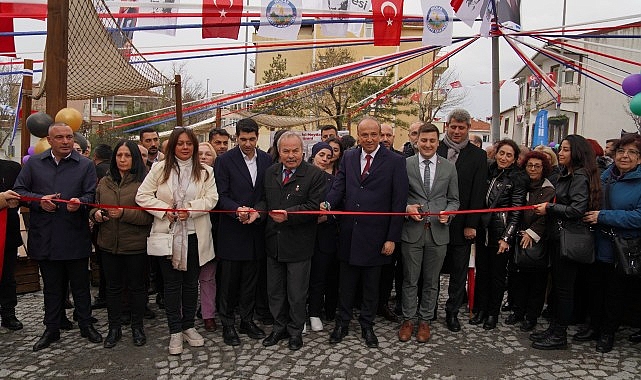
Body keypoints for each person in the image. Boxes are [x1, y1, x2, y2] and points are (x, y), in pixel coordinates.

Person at [15, 122, 102, 351]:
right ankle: (51, 328)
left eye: (69, 137)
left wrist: (80, 203)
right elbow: (20, 193)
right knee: (52, 287)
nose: (65, 141)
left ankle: (85, 323)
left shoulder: (84, 165)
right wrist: (40, 201)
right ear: (49, 140)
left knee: (81, 285)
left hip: (74, 234)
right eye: (60, 137)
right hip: (45, 236)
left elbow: (91, 194)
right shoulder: (34, 163)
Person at [324, 117, 409, 348]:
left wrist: (392, 237)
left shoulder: (395, 161)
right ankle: (342, 323)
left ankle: (367, 325)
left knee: (372, 285)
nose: (369, 139)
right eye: (365, 135)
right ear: (358, 136)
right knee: (346, 283)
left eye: (374, 134)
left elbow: (399, 202)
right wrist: (327, 204)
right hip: (350, 233)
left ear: (380, 134)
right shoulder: (349, 157)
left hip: (377, 235)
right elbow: (339, 186)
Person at [136, 127, 218, 355]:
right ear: (173, 146)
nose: (184, 147)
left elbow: (212, 199)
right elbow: (142, 195)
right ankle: (174, 331)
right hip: (168, 235)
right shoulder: (160, 169)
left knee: (191, 285)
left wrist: (190, 210)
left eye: (188, 143)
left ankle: (189, 326)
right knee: (172, 286)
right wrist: (165, 210)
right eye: (180, 143)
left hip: (194, 235)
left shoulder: (205, 171)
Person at [255, 132, 326, 351]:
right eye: (286, 151)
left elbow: (314, 207)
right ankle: (279, 328)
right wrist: (257, 213)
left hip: (299, 244)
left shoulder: (314, 174)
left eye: (295, 150)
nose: (291, 155)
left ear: (302, 151)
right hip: (273, 242)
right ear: (279, 152)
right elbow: (264, 201)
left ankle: (296, 331)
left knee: (296, 293)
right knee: (275, 291)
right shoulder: (270, 172)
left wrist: (289, 214)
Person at [531, 134, 601, 350]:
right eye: (560, 149)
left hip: (568, 239)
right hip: (559, 236)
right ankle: (554, 328)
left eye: (566, 149)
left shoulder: (579, 176)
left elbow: (576, 209)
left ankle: (559, 334)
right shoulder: (566, 174)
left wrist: (549, 208)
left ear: (577, 152)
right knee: (560, 288)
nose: (560, 153)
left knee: (564, 289)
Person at [214, 118, 273, 346]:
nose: (247, 143)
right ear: (236, 138)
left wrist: (257, 211)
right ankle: (227, 323)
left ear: (257, 137)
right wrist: (236, 210)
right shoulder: (225, 161)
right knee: (229, 282)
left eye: (252, 139)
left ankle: (246, 320)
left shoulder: (267, 160)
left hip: (255, 230)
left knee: (250, 280)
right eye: (243, 139)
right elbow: (220, 193)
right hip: (232, 230)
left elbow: (268, 194)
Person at [399, 124, 459, 343]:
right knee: (410, 280)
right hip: (412, 231)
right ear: (417, 141)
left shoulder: (449, 168)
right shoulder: (405, 165)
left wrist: (449, 214)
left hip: (438, 232)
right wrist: (406, 208)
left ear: (438, 141)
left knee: (432, 281)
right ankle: (408, 320)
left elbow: (454, 200)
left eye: (432, 141)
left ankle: (425, 321)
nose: (427, 145)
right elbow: (398, 196)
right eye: (423, 140)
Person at [90, 140, 153, 348]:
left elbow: (150, 217)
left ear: (135, 158)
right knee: (113, 288)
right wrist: (96, 215)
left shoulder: (144, 183)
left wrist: (125, 213)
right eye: (119, 155)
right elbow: (94, 207)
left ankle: (137, 327)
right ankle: (114, 328)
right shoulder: (105, 182)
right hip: (108, 244)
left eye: (127, 155)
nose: (123, 159)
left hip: (136, 244)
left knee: (137, 288)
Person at [582, 134, 641, 353]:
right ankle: (594, 326)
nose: (625, 156)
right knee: (595, 288)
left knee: (615, 293)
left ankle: (608, 333)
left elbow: (638, 216)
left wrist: (604, 216)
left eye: (632, 152)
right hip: (599, 242)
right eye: (621, 151)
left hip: (624, 246)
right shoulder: (606, 176)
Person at [436, 108, 488, 333]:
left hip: (462, 225)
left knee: (458, 272)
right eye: (453, 127)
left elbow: (478, 193)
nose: (457, 131)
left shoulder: (478, 156)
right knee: (432, 271)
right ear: (447, 126)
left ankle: (452, 312)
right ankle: (428, 310)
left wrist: (471, 224)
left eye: (462, 127)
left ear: (468, 129)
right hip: (435, 222)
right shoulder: (434, 149)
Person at [470, 139, 527, 330]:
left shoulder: (518, 178)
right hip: (483, 230)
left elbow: (517, 211)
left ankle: (493, 313)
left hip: (501, 232)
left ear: (514, 158)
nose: (504, 157)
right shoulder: (489, 171)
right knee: (482, 273)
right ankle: (480, 310)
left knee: (497, 276)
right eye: (501, 153)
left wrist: (506, 237)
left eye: (509, 155)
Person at [507, 151, 555, 332]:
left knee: (536, 281)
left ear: (544, 168)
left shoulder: (548, 189)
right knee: (518, 278)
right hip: (518, 237)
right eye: (530, 165)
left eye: (537, 166)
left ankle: (531, 315)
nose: (533, 169)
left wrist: (532, 232)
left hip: (537, 240)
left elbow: (545, 215)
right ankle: (517, 310)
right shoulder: (521, 185)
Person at [308, 142, 339, 332]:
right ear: (313, 156)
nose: (325, 159)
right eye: (321, 155)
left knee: (319, 277)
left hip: (324, 235)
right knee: (300, 278)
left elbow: (339, 205)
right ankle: (298, 315)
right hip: (302, 235)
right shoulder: (301, 177)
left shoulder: (333, 181)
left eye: (329, 156)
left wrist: (328, 215)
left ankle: (314, 312)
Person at [196, 142, 218, 332]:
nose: (203, 157)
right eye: (200, 154)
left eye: (207, 154)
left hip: (213, 234)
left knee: (208, 277)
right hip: (189, 229)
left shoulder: (217, 178)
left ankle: (208, 314)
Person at [0, 160, 23, 331]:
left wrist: (19, 200)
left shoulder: (12, 168)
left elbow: (23, 193)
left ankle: (9, 314)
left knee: (8, 277)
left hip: (8, 232)